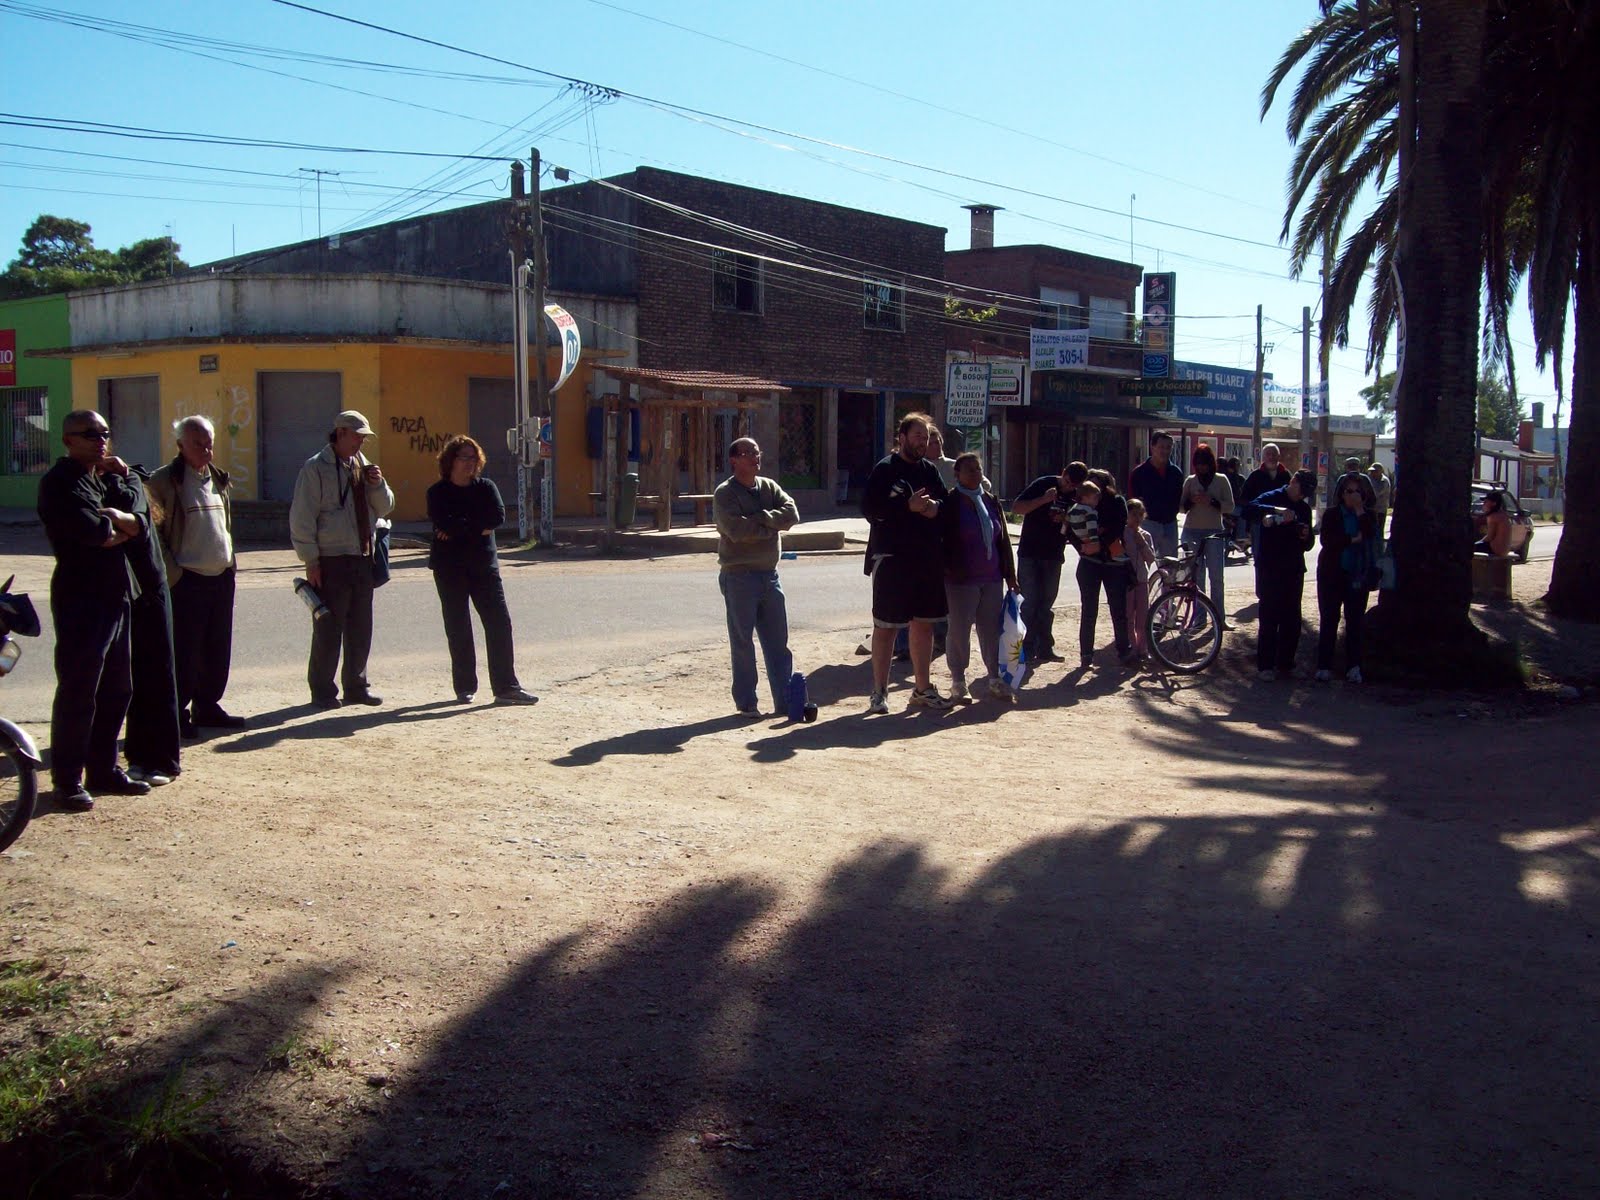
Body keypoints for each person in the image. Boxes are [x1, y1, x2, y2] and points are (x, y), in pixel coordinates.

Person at [36, 409, 152, 810]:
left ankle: (102, 769)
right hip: (81, 596)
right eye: (90, 434)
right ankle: (67, 779)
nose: (100, 440)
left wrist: (123, 497)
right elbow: (97, 533)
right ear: (68, 440)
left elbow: (141, 520)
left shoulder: (102, 478)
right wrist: (123, 525)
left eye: (104, 433)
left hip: (116, 591)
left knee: (117, 690)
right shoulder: (60, 483)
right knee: (79, 690)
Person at [148, 415, 246, 740]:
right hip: (187, 579)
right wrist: (173, 574)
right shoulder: (163, 481)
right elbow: (154, 534)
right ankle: (176, 713)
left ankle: (208, 705)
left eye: (209, 444)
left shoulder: (217, 477)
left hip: (220, 576)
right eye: (198, 444)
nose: (206, 451)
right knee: (185, 652)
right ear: (180, 445)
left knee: (217, 648)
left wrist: (230, 564)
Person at [289, 410, 395, 709]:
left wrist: (377, 485)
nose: (361, 442)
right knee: (328, 627)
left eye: (364, 437)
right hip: (330, 558)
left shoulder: (364, 466)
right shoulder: (315, 468)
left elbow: (386, 507)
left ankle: (356, 686)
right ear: (340, 433)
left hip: (362, 554)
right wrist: (311, 560)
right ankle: (322, 690)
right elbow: (302, 517)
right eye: (357, 436)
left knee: (361, 627)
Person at [427, 436, 539, 707]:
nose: (470, 463)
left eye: (474, 458)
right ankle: (465, 687)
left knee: (499, 623)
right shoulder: (437, 492)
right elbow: (443, 522)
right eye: (464, 457)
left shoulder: (486, 488)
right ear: (451, 461)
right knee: (458, 626)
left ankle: (506, 687)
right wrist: (476, 528)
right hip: (449, 568)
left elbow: (497, 517)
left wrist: (458, 528)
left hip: (484, 567)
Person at [862, 412, 951, 713]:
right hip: (891, 557)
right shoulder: (885, 469)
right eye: (917, 437)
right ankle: (879, 693)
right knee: (886, 626)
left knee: (923, 625)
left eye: (925, 437)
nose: (922, 442)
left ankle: (922, 690)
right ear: (902, 438)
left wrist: (935, 508)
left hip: (926, 558)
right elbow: (870, 509)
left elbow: (945, 505)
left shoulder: (930, 470)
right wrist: (906, 506)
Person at [712, 437, 799, 716]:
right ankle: (747, 703)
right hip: (739, 577)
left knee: (778, 643)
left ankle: (785, 701)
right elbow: (736, 531)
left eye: (757, 452)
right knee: (743, 643)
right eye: (748, 453)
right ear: (733, 460)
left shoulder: (769, 487)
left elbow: (792, 514)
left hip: (770, 576)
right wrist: (771, 527)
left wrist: (760, 518)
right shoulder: (725, 494)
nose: (755, 457)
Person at [119, 463, 182, 786]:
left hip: (151, 595)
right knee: (135, 682)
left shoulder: (133, 497)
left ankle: (160, 760)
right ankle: (139, 758)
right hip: (133, 597)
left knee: (156, 678)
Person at [941, 452, 1017, 702]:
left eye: (978, 469)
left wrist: (1010, 575)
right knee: (959, 630)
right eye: (969, 470)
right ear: (957, 475)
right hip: (961, 580)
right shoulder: (950, 503)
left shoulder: (990, 501)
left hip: (992, 577)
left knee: (991, 630)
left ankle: (994, 678)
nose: (975, 473)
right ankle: (958, 681)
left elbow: (1002, 540)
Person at [1240, 469, 1316, 680]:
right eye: (1302, 489)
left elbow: (1309, 544)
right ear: (1293, 481)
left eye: (1306, 492)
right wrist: (1276, 511)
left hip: (1294, 568)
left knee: (1292, 619)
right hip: (1270, 567)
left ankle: (1286, 663)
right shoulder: (1272, 497)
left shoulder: (1303, 508)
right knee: (1269, 617)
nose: (1302, 495)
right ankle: (1265, 665)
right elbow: (1248, 510)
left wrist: (1306, 536)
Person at [1011, 461, 1087, 666]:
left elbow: (1078, 524)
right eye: (1067, 481)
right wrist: (1044, 499)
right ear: (1063, 473)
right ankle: (1023, 648)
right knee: (1029, 602)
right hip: (1030, 552)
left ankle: (1044, 647)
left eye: (1073, 485)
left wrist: (1066, 519)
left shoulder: (1076, 496)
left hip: (1053, 554)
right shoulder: (1044, 484)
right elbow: (1017, 508)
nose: (1069, 487)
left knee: (1046, 603)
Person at [1316, 474, 1379, 683]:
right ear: (1341, 494)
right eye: (1349, 491)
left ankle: (1354, 666)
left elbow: (1370, 535)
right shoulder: (1332, 514)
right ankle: (1324, 665)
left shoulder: (1369, 515)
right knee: (1329, 618)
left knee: (1355, 621)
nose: (1353, 495)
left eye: (1358, 491)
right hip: (1332, 573)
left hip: (1357, 574)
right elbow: (1327, 540)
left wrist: (1360, 511)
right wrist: (1351, 539)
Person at [1073, 476, 1136, 669]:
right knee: (1089, 610)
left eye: (1097, 486)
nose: (1094, 492)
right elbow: (1070, 529)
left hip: (1113, 562)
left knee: (1118, 610)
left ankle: (1123, 651)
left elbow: (1117, 528)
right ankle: (1086, 655)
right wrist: (1082, 547)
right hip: (1089, 563)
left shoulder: (1117, 502)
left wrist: (1098, 544)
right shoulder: (1080, 505)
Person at [1180, 444, 1236, 630]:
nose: (1202, 467)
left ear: (1211, 463)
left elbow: (1230, 506)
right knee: (1197, 578)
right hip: (1192, 531)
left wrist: (1212, 501)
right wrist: (1192, 501)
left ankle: (1219, 619)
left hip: (1214, 532)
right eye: (1198, 464)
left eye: (1205, 464)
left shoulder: (1221, 480)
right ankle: (1199, 618)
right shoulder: (1190, 481)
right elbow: (1181, 507)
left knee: (1216, 577)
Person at [1128, 431, 1184, 559]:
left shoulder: (1176, 473)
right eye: (1161, 447)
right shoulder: (1139, 473)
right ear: (1152, 447)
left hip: (1170, 524)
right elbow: (1133, 501)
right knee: (1142, 562)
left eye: (1168, 447)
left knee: (1170, 565)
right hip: (1148, 523)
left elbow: (1179, 498)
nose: (1165, 451)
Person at [1240, 443, 1292, 579]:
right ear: (1263, 457)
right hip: (1259, 523)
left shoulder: (1286, 475)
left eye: (1274, 454)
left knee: (1280, 559)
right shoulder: (1255, 476)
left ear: (1278, 456)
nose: (1271, 457)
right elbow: (1245, 500)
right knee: (1260, 559)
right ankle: (1262, 588)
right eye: (1268, 454)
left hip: (1282, 523)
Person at [1124, 498, 1158, 660]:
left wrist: (1142, 542)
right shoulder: (1122, 533)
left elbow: (1151, 559)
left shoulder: (1146, 535)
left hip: (1142, 579)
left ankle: (1143, 648)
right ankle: (1131, 647)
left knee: (1143, 616)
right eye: (1133, 514)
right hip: (1127, 581)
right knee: (1128, 616)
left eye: (1140, 514)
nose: (1137, 518)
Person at [1474, 491, 1512, 557]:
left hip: (1495, 549)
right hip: (1504, 550)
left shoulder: (1493, 516)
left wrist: (1477, 542)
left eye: (1486, 502)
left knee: (1465, 549)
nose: (1483, 504)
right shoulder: (1503, 514)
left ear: (1494, 503)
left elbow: (1490, 537)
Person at [1367, 462, 1392, 547]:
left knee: (1379, 530)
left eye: (1374, 471)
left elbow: (1376, 494)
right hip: (1371, 510)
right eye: (1371, 471)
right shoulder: (1371, 479)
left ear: (1380, 471)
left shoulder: (1384, 481)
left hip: (1380, 510)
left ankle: (1379, 549)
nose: (1372, 473)